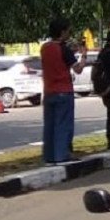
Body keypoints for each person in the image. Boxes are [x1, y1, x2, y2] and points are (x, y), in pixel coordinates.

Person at [40, 18, 87, 164]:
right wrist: (83, 55)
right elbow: (78, 69)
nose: (69, 34)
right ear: (62, 32)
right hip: (63, 90)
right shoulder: (64, 49)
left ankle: (49, 156)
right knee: (63, 124)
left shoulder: (45, 48)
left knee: (49, 125)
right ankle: (62, 155)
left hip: (49, 91)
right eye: (68, 31)